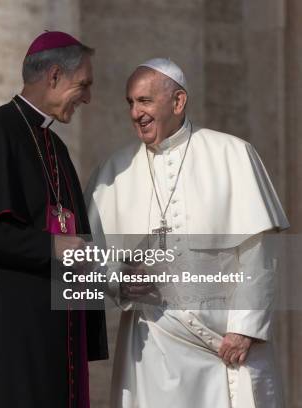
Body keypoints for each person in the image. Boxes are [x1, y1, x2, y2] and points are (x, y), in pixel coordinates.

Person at [85, 58, 289, 408]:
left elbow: (259, 251)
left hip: (224, 348)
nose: (136, 112)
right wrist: (118, 279)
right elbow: (88, 257)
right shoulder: (113, 170)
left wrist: (245, 328)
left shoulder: (232, 153)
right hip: (151, 347)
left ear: (178, 102)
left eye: (145, 101)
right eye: (130, 103)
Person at [0, 31, 108, 408]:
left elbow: (78, 239)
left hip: (60, 334)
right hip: (7, 326)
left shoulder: (57, 148)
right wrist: (51, 246)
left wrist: (90, 330)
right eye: (84, 85)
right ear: (55, 76)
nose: (88, 98)